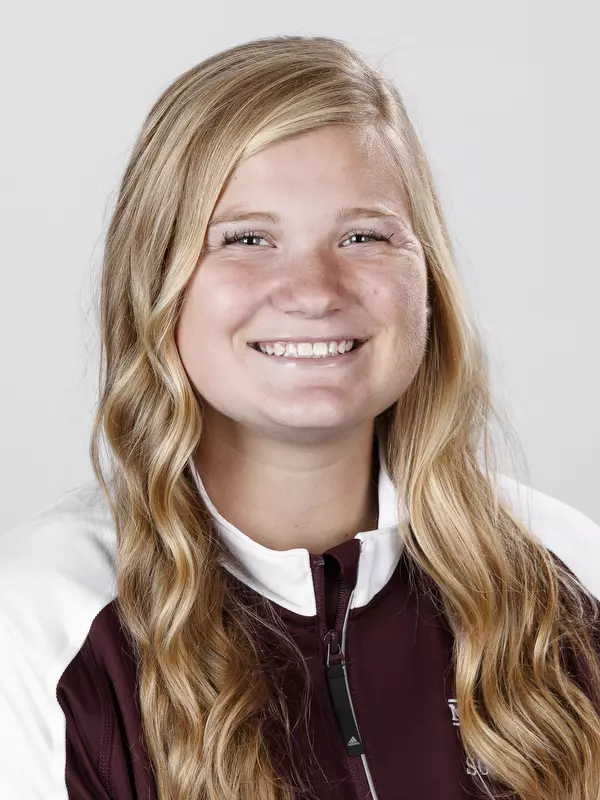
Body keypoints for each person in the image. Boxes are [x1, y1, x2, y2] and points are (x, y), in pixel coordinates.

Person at [1, 34, 600, 800]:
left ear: (428, 278)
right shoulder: (38, 623)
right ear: (156, 278)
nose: (314, 290)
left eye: (363, 236)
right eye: (248, 239)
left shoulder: (567, 571)